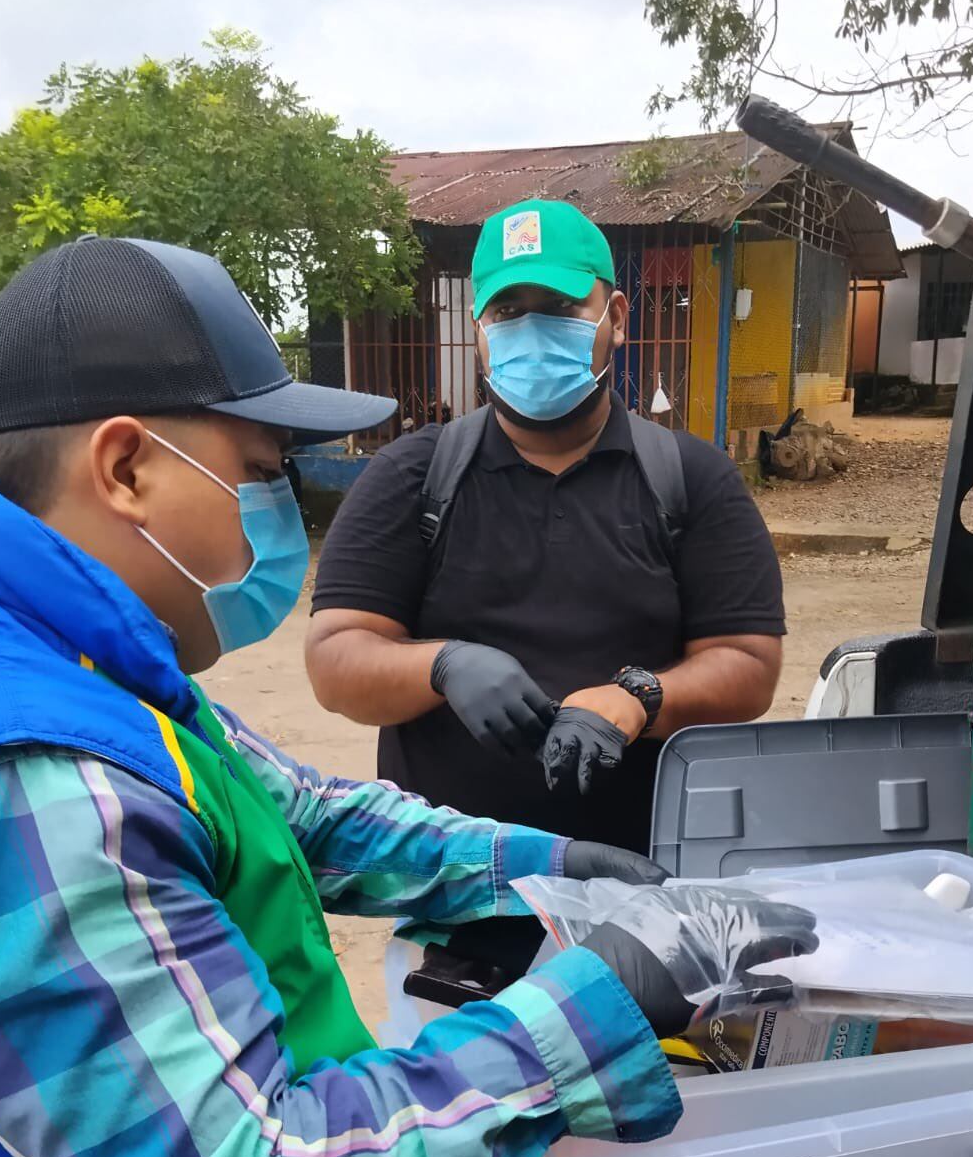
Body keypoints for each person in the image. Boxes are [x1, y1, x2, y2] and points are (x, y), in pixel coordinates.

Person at [0, 235, 737, 1157]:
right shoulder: (26, 774)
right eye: (255, 480)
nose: (274, 526)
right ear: (127, 466)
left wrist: (544, 863)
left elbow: (299, 815)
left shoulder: (82, 647)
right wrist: (593, 1007)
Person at [306, 197, 787, 857]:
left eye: (560, 309)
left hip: (647, 883)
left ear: (615, 318)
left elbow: (749, 666)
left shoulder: (692, 479)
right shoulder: (412, 477)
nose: (531, 331)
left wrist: (638, 700)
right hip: (455, 896)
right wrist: (443, 666)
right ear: (480, 331)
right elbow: (335, 660)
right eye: (507, 312)